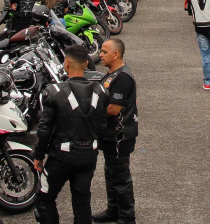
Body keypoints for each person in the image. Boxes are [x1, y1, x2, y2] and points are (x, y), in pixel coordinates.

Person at [33, 45, 108, 224]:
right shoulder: (102, 91)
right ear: (86, 64)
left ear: (66, 64)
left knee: (44, 199)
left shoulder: (53, 92)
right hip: (88, 156)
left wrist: (38, 155)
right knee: (82, 201)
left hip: (61, 157)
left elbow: (44, 128)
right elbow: (102, 126)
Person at [93, 39, 138, 224]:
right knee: (111, 174)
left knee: (120, 177)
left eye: (104, 51)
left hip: (120, 135)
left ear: (115, 54)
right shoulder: (112, 74)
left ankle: (127, 217)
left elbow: (113, 109)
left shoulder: (123, 77)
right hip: (110, 135)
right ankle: (113, 210)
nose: (100, 55)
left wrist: (90, 111)